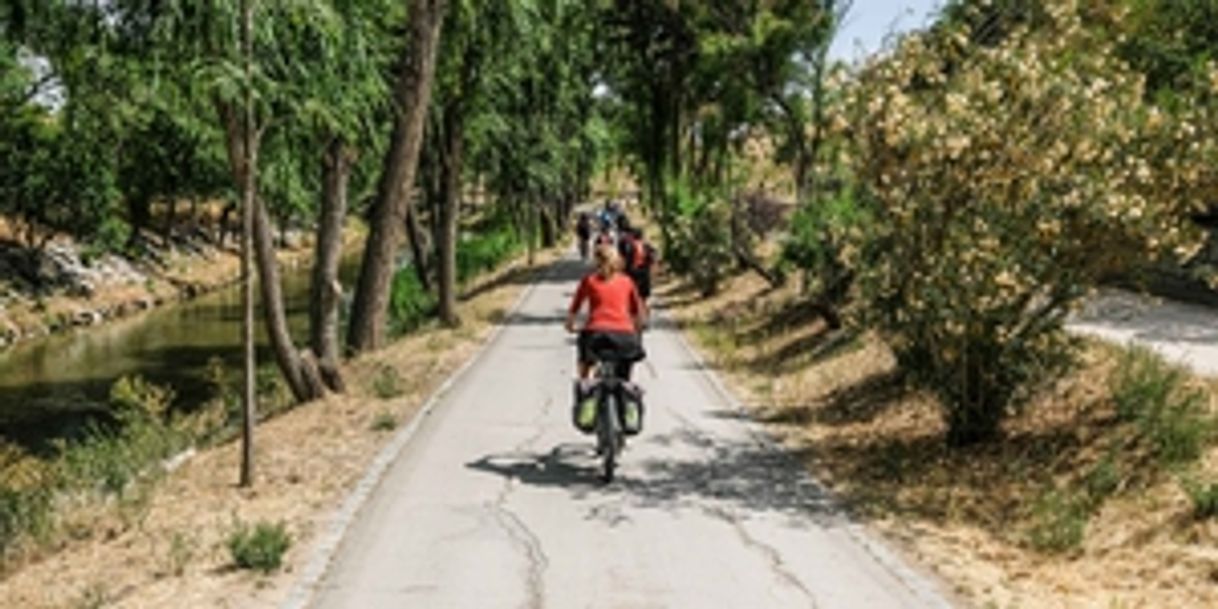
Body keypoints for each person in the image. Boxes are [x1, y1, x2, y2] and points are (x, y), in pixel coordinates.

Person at [566, 244, 647, 381]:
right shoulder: (627, 281)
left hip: (595, 334)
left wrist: (570, 325)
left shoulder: (589, 281)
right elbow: (637, 313)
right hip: (624, 336)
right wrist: (637, 329)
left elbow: (575, 307)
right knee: (625, 374)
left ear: (595, 261)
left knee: (584, 362)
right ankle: (626, 390)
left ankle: (584, 385)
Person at [617, 226, 657, 301]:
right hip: (644, 271)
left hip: (632, 271)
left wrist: (622, 270)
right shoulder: (646, 245)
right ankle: (644, 309)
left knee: (632, 292)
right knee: (643, 295)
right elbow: (653, 257)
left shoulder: (629, 245)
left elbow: (624, 259)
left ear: (632, 236)